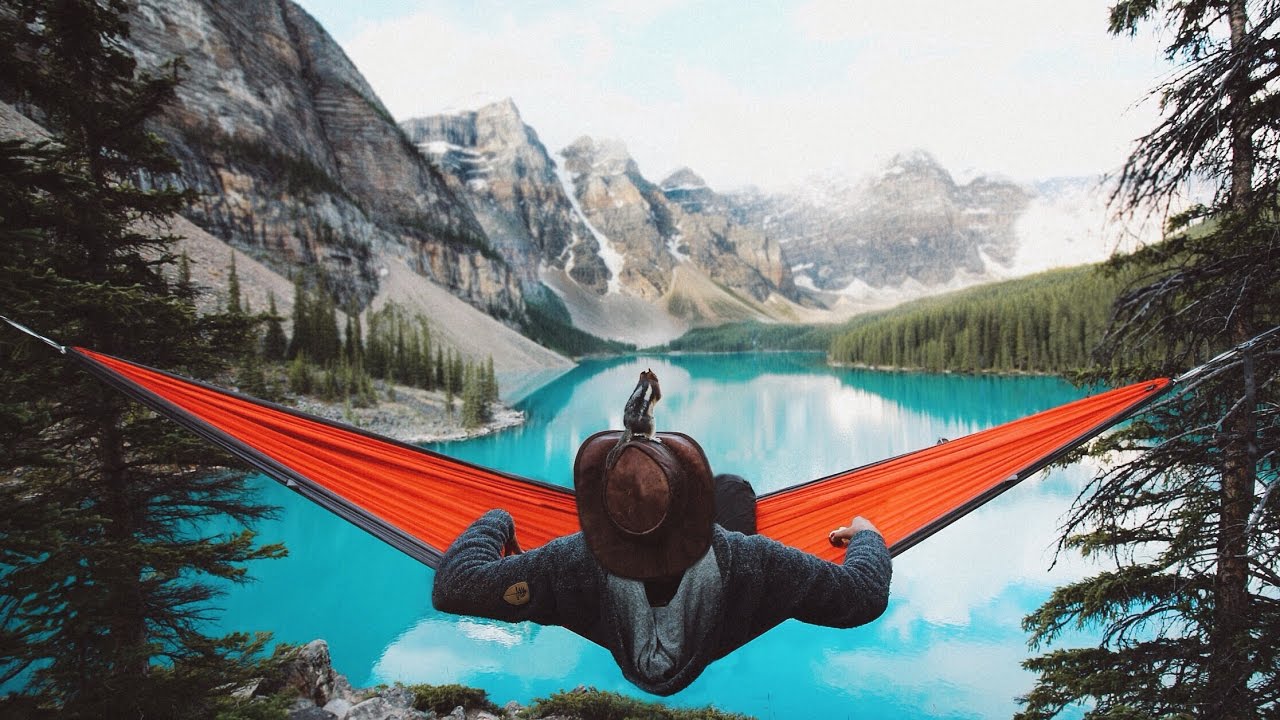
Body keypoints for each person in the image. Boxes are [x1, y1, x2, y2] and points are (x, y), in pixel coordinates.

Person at [431, 430, 892, 696]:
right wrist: (868, 536)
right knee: (733, 488)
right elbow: (862, 595)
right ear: (695, 512)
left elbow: (454, 585)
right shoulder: (753, 562)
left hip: (610, 612)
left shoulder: (573, 563)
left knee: (728, 488)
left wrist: (499, 517)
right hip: (725, 606)